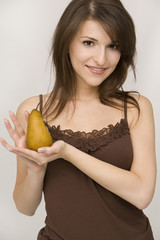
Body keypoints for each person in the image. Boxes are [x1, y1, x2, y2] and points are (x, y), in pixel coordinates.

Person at [0, 0, 156, 239]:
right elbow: (25, 207)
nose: (101, 59)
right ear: (66, 43)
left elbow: (142, 193)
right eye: (89, 43)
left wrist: (68, 153)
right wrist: (35, 170)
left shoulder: (136, 109)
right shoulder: (34, 111)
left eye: (113, 45)